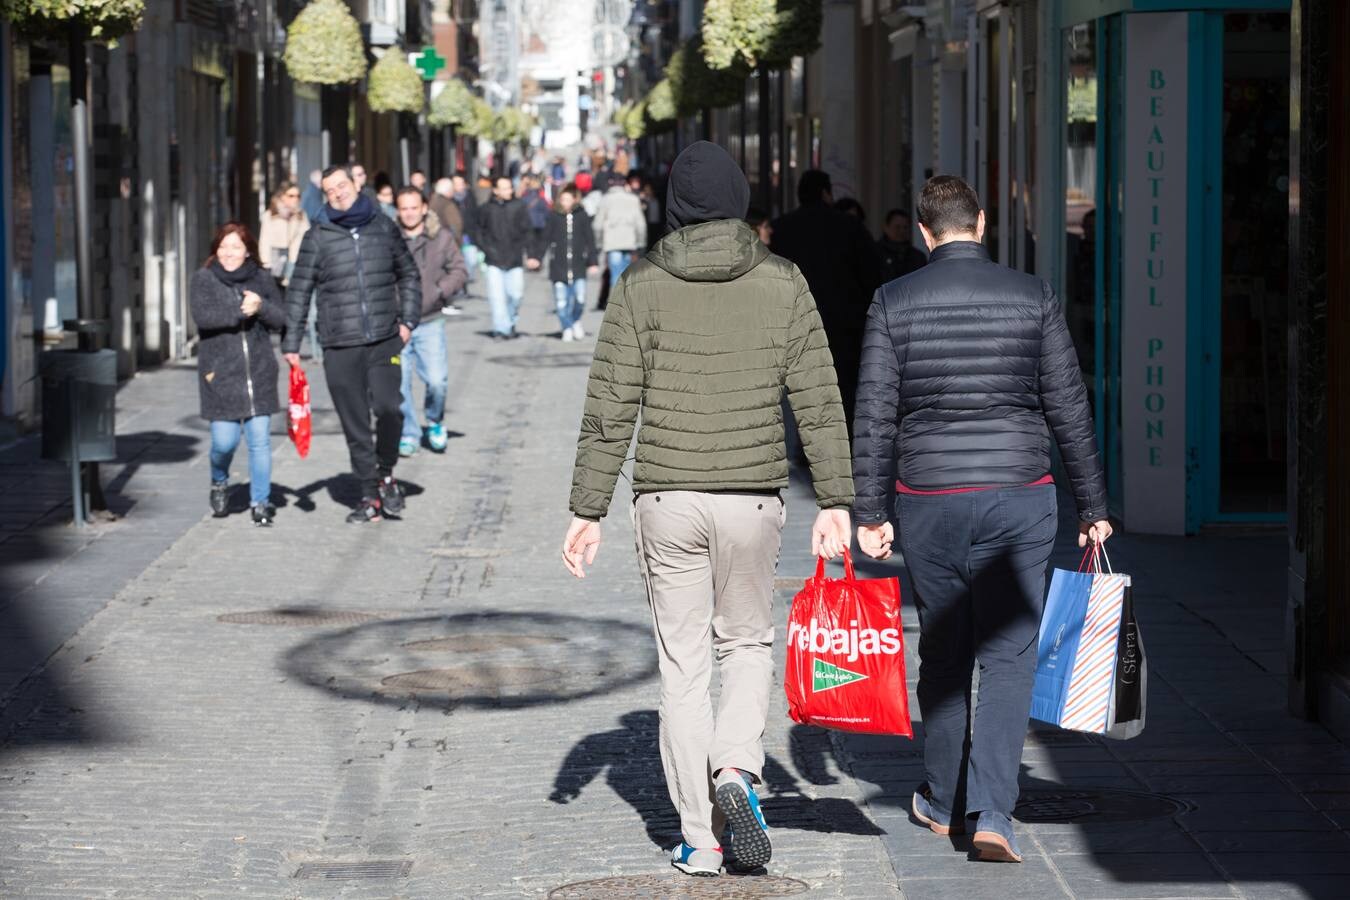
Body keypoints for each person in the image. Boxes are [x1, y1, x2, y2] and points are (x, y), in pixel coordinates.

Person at [562, 141, 854, 878]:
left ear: (674, 205)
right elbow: (818, 397)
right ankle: (736, 770)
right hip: (752, 496)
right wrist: (838, 497)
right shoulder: (783, 281)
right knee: (748, 644)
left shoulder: (640, 283)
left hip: (666, 498)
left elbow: (609, 406)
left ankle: (697, 835)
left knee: (684, 667)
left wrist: (587, 509)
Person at [851, 175, 1112, 864]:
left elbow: (875, 412)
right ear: (984, 223)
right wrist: (1093, 506)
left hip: (929, 500)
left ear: (925, 233)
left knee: (942, 647)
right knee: (1008, 653)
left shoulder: (893, 301)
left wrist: (871, 510)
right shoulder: (1032, 297)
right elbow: (1068, 406)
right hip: (1020, 493)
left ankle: (941, 799)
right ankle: (993, 808)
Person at [282, 165, 422, 524]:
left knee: (390, 408)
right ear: (325, 195)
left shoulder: (382, 226)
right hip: (339, 344)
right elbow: (299, 291)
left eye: (342, 186)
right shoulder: (318, 236)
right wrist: (292, 342)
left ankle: (386, 472)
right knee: (355, 423)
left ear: (356, 185)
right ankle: (368, 493)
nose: (338, 193)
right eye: (330, 190)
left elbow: (408, 274)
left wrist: (407, 322)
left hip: (383, 339)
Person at [771, 170, 882, 433]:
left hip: (794, 325)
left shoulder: (781, 229)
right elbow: (873, 276)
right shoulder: (850, 227)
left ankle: (802, 442)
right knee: (842, 388)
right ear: (825, 193)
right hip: (843, 325)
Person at [189, 222, 286, 526]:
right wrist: (241, 311)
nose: (229, 253)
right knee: (224, 443)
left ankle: (261, 502)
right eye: (224, 246)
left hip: (259, 371)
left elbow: (281, 319)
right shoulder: (204, 279)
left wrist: (261, 307)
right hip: (220, 374)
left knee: (259, 441)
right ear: (215, 250)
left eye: (236, 247)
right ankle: (219, 480)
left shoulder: (261, 278)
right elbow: (203, 318)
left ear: (248, 251)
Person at [395, 187, 467, 457]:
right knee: (399, 383)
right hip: (399, 323)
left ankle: (435, 422)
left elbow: (460, 270)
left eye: (414, 207)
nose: (410, 213)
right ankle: (408, 432)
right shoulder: (390, 238)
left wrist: (439, 291)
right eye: (404, 208)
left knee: (437, 380)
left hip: (430, 319)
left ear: (424, 208)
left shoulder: (441, 237)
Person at [528, 183, 598, 341]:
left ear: (574, 199)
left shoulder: (582, 216)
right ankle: (566, 326)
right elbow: (544, 239)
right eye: (563, 199)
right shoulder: (553, 216)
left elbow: (590, 240)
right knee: (561, 302)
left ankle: (575, 321)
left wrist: (593, 261)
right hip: (558, 267)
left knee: (580, 299)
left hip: (578, 265)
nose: (565, 202)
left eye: (568, 199)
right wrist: (537, 258)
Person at [476, 176, 534, 340]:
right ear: (495, 190)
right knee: (497, 297)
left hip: (514, 259)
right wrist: (486, 249)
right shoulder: (486, 209)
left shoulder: (519, 206)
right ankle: (501, 329)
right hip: (493, 260)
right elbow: (478, 231)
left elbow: (528, 231)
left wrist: (531, 254)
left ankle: (510, 322)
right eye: (505, 188)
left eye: (510, 187)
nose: (509, 191)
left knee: (516, 295)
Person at [593, 175, 646, 287]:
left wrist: (598, 243)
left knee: (615, 275)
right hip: (629, 242)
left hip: (612, 243)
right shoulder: (633, 199)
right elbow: (641, 224)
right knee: (626, 273)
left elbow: (597, 225)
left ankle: (616, 302)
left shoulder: (605, 199)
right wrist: (641, 243)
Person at [258, 182, 310, 286]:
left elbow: (307, 237)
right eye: (291, 196)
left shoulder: (301, 215)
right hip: (275, 259)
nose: (295, 199)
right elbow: (264, 241)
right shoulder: (270, 215)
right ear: (282, 196)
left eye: (297, 196)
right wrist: (265, 263)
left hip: (294, 260)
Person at [877, 208, 927, 283]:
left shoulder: (918, 257)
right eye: (897, 227)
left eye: (905, 227)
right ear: (886, 227)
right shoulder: (874, 253)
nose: (902, 231)